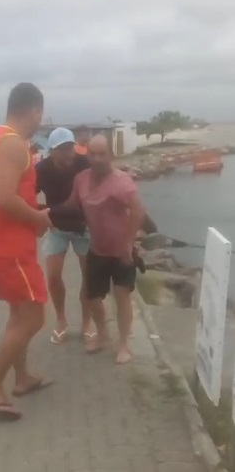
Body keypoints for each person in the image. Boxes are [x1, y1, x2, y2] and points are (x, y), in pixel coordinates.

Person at [0, 82, 53, 420]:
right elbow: (3, 197)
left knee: (18, 314)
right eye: (40, 113)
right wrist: (37, 217)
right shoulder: (13, 145)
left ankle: (22, 377)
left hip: (1, 244)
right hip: (11, 248)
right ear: (34, 109)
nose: (40, 119)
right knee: (34, 315)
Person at [63, 134, 145, 364]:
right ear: (87, 154)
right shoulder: (81, 179)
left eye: (102, 154)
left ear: (111, 155)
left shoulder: (122, 181)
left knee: (122, 299)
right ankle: (103, 335)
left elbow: (138, 211)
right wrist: (44, 214)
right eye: (93, 153)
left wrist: (129, 243)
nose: (97, 158)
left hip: (121, 252)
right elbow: (71, 205)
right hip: (97, 248)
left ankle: (123, 346)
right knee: (91, 297)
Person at [35, 127, 94, 346]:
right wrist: (37, 216)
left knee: (89, 277)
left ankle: (87, 322)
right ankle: (61, 320)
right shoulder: (41, 169)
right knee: (53, 275)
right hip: (56, 227)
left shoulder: (83, 163)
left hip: (83, 227)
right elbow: (26, 194)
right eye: (62, 149)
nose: (68, 154)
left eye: (70, 148)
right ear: (51, 151)